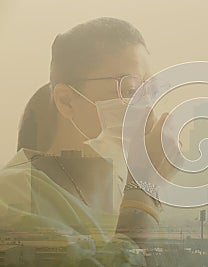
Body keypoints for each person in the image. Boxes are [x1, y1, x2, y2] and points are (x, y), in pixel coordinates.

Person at [0, 17, 178, 267]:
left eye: (150, 91)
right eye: (129, 90)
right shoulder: (13, 195)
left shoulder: (123, 189)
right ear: (66, 101)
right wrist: (144, 189)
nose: (147, 110)